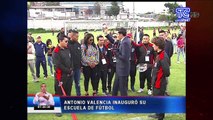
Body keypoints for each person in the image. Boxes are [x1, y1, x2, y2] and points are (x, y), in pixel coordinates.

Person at [148, 37, 170, 120]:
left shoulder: (163, 56)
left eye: (154, 44)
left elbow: (167, 72)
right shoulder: (158, 55)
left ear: (158, 45)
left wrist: (159, 77)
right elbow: (157, 67)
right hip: (156, 81)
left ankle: (160, 116)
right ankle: (158, 114)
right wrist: (149, 66)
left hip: (159, 83)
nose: (153, 46)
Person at [112, 27, 131, 96]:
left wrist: (115, 52)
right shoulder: (123, 41)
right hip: (120, 69)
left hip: (123, 69)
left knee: (123, 89)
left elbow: (124, 57)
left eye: (118, 34)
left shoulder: (125, 42)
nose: (117, 36)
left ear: (121, 34)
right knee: (115, 87)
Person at [158, 30, 173, 96]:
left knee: (166, 78)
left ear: (165, 35)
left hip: (166, 63)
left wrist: (165, 60)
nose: (161, 36)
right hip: (158, 64)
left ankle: (165, 90)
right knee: (157, 77)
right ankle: (157, 90)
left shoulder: (169, 43)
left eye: (162, 35)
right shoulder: (157, 43)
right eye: (160, 35)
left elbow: (171, 52)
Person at [68, 29, 82, 96]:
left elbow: (80, 55)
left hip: (78, 68)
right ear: (72, 36)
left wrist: (81, 66)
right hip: (70, 68)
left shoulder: (78, 44)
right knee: (69, 84)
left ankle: (79, 96)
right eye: (76, 36)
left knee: (78, 83)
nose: (77, 38)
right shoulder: (67, 44)